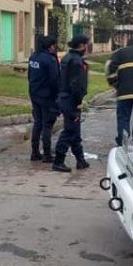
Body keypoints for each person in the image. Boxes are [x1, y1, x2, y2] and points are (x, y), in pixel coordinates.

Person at [52, 34, 90, 173]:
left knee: (75, 131)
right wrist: (78, 101)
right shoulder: (76, 61)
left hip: (65, 98)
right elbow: (76, 84)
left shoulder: (69, 58)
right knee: (69, 131)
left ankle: (80, 160)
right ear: (81, 45)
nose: (87, 47)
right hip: (71, 100)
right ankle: (58, 160)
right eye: (86, 44)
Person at [28, 35, 60, 162]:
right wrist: (57, 96)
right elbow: (55, 80)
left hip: (35, 94)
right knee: (47, 124)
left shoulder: (33, 57)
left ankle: (35, 152)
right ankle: (47, 154)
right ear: (51, 46)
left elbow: (30, 75)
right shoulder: (50, 60)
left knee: (38, 123)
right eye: (54, 45)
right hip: (47, 96)